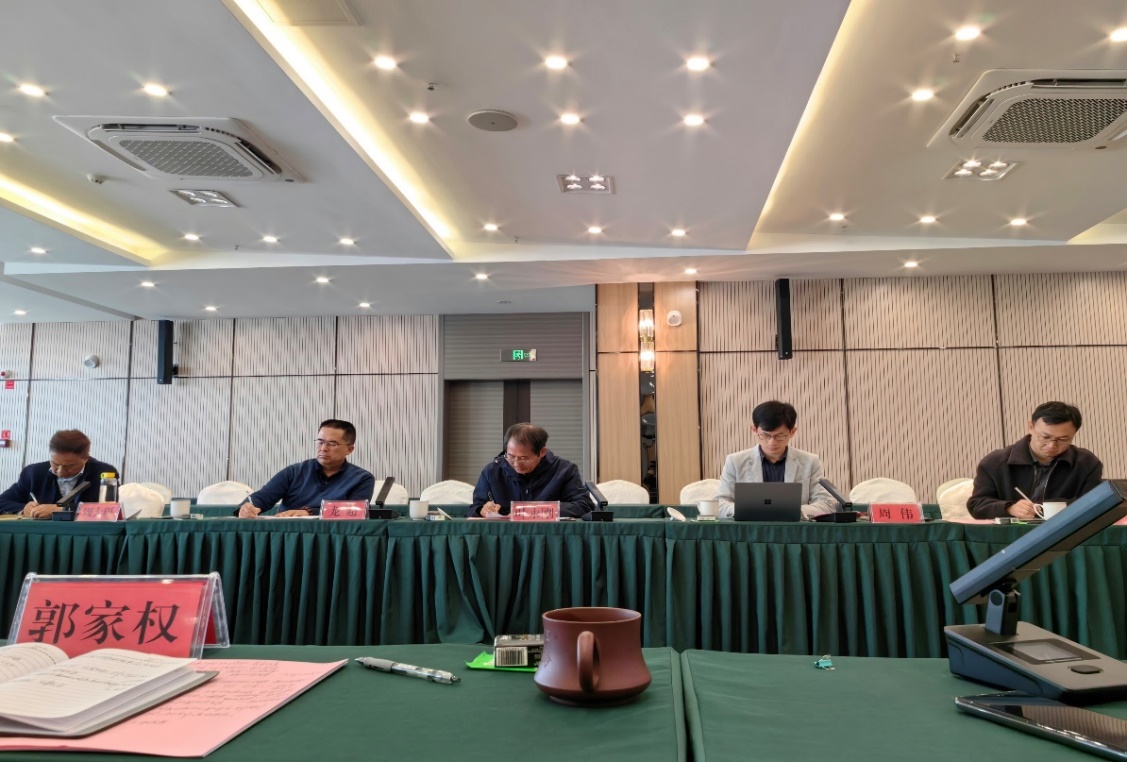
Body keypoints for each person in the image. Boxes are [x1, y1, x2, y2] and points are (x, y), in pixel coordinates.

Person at [967, 401, 1103, 520]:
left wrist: (1044, 508)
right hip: (1010, 535)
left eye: (1063, 439)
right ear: (1031, 427)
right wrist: (1009, 508)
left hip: (1067, 532)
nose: (1052, 445)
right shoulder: (996, 462)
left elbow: (1094, 504)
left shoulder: (1086, 463)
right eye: (1045, 437)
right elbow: (977, 505)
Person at [715, 400, 836, 520]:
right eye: (765, 435)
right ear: (754, 430)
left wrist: (794, 511)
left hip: (793, 529)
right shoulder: (735, 462)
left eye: (779, 436)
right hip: (751, 529)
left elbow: (826, 503)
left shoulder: (810, 461)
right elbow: (719, 503)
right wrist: (749, 510)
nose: (772, 442)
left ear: (792, 432)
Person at [237, 419, 375, 518]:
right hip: (290, 535)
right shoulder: (294, 472)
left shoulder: (362, 478)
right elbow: (262, 497)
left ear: (349, 449)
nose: (323, 448)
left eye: (332, 444)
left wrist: (309, 512)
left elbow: (355, 511)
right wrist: (247, 507)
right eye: (320, 442)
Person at [469, 422, 591, 518]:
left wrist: (536, 510)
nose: (516, 464)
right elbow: (475, 507)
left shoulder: (564, 470)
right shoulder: (492, 471)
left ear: (542, 452)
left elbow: (583, 506)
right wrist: (482, 510)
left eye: (524, 458)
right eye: (511, 456)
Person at [0, 430, 118, 518]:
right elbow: (3, 501)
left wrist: (62, 510)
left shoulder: (103, 473)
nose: (60, 471)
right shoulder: (34, 473)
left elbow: (110, 510)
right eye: (55, 464)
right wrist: (23, 508)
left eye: (69, 466)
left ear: (85, 459)